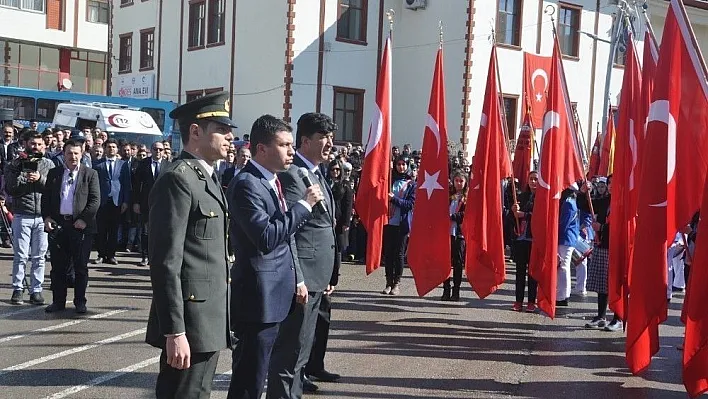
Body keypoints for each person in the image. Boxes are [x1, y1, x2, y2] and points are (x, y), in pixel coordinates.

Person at [146, 91, 235, 398]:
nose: (229, 137)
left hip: (208, 321)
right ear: (195, 132)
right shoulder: (179, 179)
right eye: (221, 130)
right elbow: (165, 261)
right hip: (190, 323)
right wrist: (175, 331)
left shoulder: (206, 178)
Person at [227, 114, 322, 399]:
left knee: (266, 369)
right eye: (284, 145)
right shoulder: (247, 184)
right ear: (261, 149)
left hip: (279, 292)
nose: (292, 151)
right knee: (250, 380)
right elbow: (267, 237)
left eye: (292, 144)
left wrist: (298, 279)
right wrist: (304, 206)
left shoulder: (272, 180)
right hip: (258, 299)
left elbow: (286, 238)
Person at [265, 113, 338, 399]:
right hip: (303, 278)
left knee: (302, 353)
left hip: (318, 276)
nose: (330, 143)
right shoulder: (293, 175)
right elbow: (291, 232)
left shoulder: (317, 172)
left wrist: (331, 272)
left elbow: (326, 227)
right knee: (290, 354)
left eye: (331, 137)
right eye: (324, 138)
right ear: (305, 141)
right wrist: (298, 277)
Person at [42, 139, 100, 313]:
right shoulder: (54, 173)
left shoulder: (90, 174)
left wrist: (84, 219)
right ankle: (58, 301)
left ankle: (80, 302)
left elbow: (95, 200)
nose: (72, 156)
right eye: (69, 153)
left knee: (80, 267)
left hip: (81, 227)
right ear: (64, 154)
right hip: (59, 226)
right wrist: (47, 218)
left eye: (76, 153)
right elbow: (46, 198)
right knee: (58, 267)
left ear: (81, 154)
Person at [5, 131, 55, 305]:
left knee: (39, 256)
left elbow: (52, 188)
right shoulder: (14, 164)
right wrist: (22, 174)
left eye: (39, 144)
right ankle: (18, 289)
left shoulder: (49, 164)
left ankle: (36, 290)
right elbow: (11, 189)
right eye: (33, 144)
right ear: (25, 144)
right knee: (20, 255)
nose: (36, 147)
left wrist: (40, 179)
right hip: (22, 214)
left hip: (42, 216)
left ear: (44, 146)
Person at [92, 138, 131, 265]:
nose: (111, 149)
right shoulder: (97, 164)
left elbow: (126, 184)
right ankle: (101, 254)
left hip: (117, 201)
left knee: (114, 230)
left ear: (117, 149)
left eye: (114, 147)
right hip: (102, 201)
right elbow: (94, 184)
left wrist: (125, 201)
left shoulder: (123, 164)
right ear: (105, 148)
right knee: (101, 229)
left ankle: (111, 255)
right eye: (109, 147)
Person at [382, 156, 416, 295]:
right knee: (388, 254)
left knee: (399, 254)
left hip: (401, 224)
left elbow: (410, 204)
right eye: (398, 164)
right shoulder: (390, 180)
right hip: (388, 222)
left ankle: (397, 283)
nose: (401, 167)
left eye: (403, 164)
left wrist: (394, 199)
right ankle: (388, 282)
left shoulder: (411, 184)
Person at [132, 141, 167, 266]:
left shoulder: (168, 165)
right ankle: (145, 256)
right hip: (145, 203)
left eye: (160, 150)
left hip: (163, 205)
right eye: (155, 149)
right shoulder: (143, 164)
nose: (158, 152)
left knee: (161, 232)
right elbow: (136, 185)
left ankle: (157, 257)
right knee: (145, 231)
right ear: (151, 150)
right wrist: (136, 202)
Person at [510, 171, 539, 312]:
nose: (533, 182)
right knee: (520, 272)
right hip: (521, 239)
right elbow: (512, 217)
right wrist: (513, 211)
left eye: (536, 179)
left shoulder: (541, 198)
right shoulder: (522, 196)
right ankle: (518, 301)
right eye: (531, 179)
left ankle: (532, 301)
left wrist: (525, 215)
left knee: (533, 273)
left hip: (534, 239)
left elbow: (540, 216)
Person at [441, 170, 467, 301]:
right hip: (447, 233)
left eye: (461, 181)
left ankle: (456, 290)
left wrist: (452, 216)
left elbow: (466, 215)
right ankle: (446, 288)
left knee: (458, 263)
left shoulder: (468, 197)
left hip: (459, 234)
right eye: (457, 180)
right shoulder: (448, 195)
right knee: (445, 262)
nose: (459, 183)